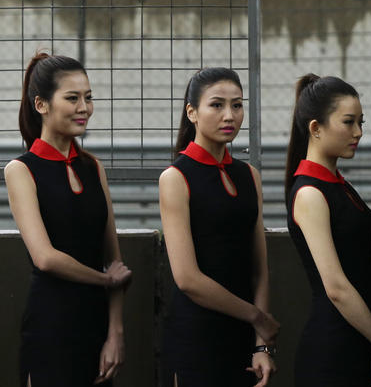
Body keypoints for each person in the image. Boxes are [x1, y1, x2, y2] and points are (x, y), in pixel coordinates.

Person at [5, 53, 131, 386]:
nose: (84, 107)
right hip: (50, 326)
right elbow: (45, 258)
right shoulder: (21, 170)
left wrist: (115, 332)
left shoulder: (93, 167)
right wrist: (104, 280)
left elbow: (114, 261)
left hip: (97, 327)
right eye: (72, 98)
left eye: (88, 97)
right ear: (41, 105)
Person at [159, 68, 279, 387]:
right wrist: (257, 317)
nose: (230, 115)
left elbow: (259, 269)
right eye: (216, 105)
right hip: (196, 339)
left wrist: (261, 346)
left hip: (245, 340)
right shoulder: (176, 178)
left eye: (237, 105)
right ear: (192, 112)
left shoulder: (249, 175)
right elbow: (187, 279)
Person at [285, 74, 371, 386]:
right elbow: (336, 288)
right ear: (315, 128)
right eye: (349, 122)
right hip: (332, 352)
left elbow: (367, 265)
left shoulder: (339, 186)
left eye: (360, 122)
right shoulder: (310, 193)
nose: (358, 132)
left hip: (365, 340)